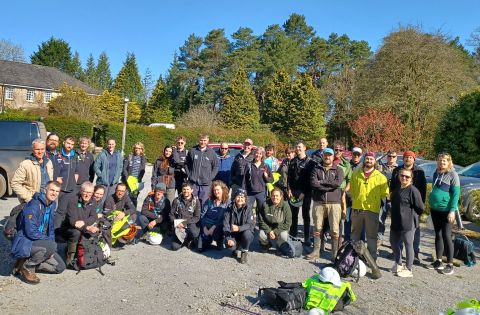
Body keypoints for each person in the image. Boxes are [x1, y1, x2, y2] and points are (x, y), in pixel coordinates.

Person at [11, 181, 65, 284]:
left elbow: (51, 228)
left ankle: (23, 263)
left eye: (57, 191)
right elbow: (30, 232)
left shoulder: (52, 205)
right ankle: (28, 267)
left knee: (60, 267)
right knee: (51, 246)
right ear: (45, 190)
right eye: (52, 190)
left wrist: (51, 247)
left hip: (40, 242)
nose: (54, 193)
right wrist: (50, 245)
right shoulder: (34, 205)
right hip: (26, 241)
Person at [6, 139, 54, 238]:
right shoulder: (26, 164)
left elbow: (50, 181)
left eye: (42, 149)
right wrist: (29, 198)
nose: (40, 152)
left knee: (43, 228)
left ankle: (42, 248)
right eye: (37, 149)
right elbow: (15, 183)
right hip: (32, 202)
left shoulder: (49, 163)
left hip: (46, 201)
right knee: (28, 230)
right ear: (32, 149)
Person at [349, 152, 389, 260]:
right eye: (367, 159)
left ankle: (372, 260)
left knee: (371, 237)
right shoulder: (356, 174)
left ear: (374, 161)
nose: (369, 161)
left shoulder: (381, 177)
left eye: (371, 159)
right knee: (354, 236)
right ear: (364, 160)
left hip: (372, 211)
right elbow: (351, 190)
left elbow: (384, 194)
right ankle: (352, 259)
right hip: (357, 209)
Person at [306, 148, 344, 261]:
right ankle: (316, 251)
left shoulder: (339, 170)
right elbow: (313, 183)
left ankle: (334, 254)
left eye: (329, 155)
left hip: (334, 203)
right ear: (323, 156)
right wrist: (328, 186)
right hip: (319, 202)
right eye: (325, 155)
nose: (327, 157)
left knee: (335, 229)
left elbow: (337, 183)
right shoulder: (316, 169)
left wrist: (321, 182)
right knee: (317, 228)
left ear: (333, 157)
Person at [390, 151, 427, 263]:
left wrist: (419, 206)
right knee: (397, 230)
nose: (408, 159)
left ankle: (415, 254)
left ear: (414, 159)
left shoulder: (419, 172)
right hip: (399, 205)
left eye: (410, 157)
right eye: (406, 157)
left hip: (413, 207)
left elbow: (423, 190)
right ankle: (397, 254)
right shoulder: (397, 171)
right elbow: (392, 187)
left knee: (413, 232)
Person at [427, 153, 460, 275]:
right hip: (435, 210)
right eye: (440, 160)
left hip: (446, 211)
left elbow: (456, 195)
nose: (442, 163)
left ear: (449, 162)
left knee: (446, 236)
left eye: (444, 161)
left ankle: (450, 264)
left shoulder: (453, 174)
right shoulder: (436, 173)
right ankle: (438, 261)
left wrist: (452, 210)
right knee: (438, 235)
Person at [58, 181, 102, 266]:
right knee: (76, 233)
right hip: (69, 228)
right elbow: (73, 222)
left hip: (84, 225)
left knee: (97, 229)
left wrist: (85, 223)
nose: (87, 194)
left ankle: (88, 255)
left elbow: (93, 216)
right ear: (81, 191)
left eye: (89, 192)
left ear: (92, 193)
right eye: (85, 192)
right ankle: (70, 257)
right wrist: (87, 227)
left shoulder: (93, 201)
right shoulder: (73, 200)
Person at [288, 140, 314, 245]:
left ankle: (307, 238)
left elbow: (310, 179)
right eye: (297, 147)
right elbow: (289, 177)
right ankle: (293, 235)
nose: (298, 149)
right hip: (294, 192)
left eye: (300, 147)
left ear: (305, 148)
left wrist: (304, 192)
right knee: (293, 215)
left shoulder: (310, 162)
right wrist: (289, 189)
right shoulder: (293, 161)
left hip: (306, 193)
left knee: (305, 215)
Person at [52, 135, 79, 230]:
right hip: (60, 189)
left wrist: (74, 184)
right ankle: (55, 231)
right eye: (68, 143)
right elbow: (52, 171)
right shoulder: (57, 156)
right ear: (63, 142)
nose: (70, 146)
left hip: (71, 189)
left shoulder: (75, 157)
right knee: (60, 211)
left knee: (69, 211)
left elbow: (76, 171)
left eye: (72, 144)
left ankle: (64, 230)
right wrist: (56, 180)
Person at [186, 134, 218, 206]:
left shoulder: (211, 152)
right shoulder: (192, 150)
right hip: (193, 182)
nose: (203, 142)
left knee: (204, 203)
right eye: (201, 140)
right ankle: (192, 217)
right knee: (192, 202)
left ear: (207, 141)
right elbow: (186, 164)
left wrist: (210, 177)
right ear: (198, 140)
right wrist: (189, 174)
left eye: (204, 140)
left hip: (206, 184)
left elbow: (216, 166)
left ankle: (202, 217)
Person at [223, 189, 254, 264]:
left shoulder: (249, 208)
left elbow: (250, 224)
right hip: (233, 234)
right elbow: (225, 224)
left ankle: (244, 251)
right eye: (238, 197)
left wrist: (239, 228)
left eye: (242, 197)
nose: (240, 199)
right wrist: (228, 238)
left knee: (248, 234)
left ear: (245, 199)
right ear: (234, 198)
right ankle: (235, 249)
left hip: (244, 233)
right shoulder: (229, 208)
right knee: (229, 245)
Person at [198, 180, 229, 251]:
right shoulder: (209, 200)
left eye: (218, 190)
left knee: (218, 231)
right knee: (199, 248)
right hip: (207, 225)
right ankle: (208, 239)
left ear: (223, 190)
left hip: (218, 226)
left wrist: (213, 227)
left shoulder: (228, 202)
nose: (216, 192)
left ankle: (219, 240)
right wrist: (205, 228)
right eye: (214, 190)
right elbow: (202, 215)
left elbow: (226, 219)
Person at [169, 182, 201, 251]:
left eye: (188, 189)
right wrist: (176, 223)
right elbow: (171, 214)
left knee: (195, 233)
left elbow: (197, 217)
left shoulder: (196, 202)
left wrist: (184, 223)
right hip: (178, 224)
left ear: (192, 190)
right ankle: (185, 241)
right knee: (174, 247)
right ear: (181, 190)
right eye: (184, 189)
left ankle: (190, 239)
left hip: (190, 224)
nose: (186, 191)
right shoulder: (176, 200)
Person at [332, 141, 352, 249]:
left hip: (340, 194)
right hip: (327, 194)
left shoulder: (346, 164)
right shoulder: (327, 160)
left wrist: (345, 190)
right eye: (336, 149)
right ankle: (320, 245)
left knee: (339, 220)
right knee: (326, 220)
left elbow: (349, 180)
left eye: (340, 150)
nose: (338, 152)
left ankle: (338, 245)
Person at [377, 150, 398, 248]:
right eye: (389, 156)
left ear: (396, 157)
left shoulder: (399, 169)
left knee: (395, 222)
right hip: (383, 197)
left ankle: (393, 243)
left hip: (394, 198)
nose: (391, 158)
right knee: (380, 219)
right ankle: (379, 239)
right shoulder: (381, 167)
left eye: (393, 156)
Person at [245, 147, 273, 216]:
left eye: (260, 154)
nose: (258, 155)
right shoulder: (249, 165)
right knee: (247, 211)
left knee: (262, 211)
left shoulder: (265, 166)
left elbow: (271, 180)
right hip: (250, 192)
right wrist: (244, 191)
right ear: (254, 154)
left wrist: (266, 177)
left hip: (261, 192)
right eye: (257, 153)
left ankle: (262, 226)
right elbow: (244, 180)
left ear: (262, 155)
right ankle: (249, 226)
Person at [94, 138, 123, 204]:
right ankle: (96, 213)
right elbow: (96, 166)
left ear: (115, 144)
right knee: (100, 200)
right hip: (103, 182)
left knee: (109, 200)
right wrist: (101, 176)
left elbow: (121, 166)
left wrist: (118, 176)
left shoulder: (118, 155)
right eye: (109, 144)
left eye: (112, 144)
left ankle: (106, 213)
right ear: (107, 144)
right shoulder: (102, 155)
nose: (111, 146)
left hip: (113, 183)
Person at [344, 146, 364, 241]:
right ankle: (347, 241)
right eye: (354, 154)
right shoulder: (347, 165)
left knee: (360, 222)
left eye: (358, 155)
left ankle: (361, 242)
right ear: (351, 154)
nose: (356, 156)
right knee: (347, 221)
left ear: (361, 156)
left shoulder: (364, 166)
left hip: (360, 200)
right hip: (348, 198)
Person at [122, 142, 147, 208]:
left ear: (142, 149)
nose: (137, 149)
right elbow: (124, 168)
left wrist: (138, 181)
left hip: (136, 183)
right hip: (127, 182)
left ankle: (133, 213)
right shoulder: (129, 156)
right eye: (136, 148)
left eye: (139, 148)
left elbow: (143, 171)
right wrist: (127, 178)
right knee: (125, 197)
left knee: (134, 199)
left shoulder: (143, 158)